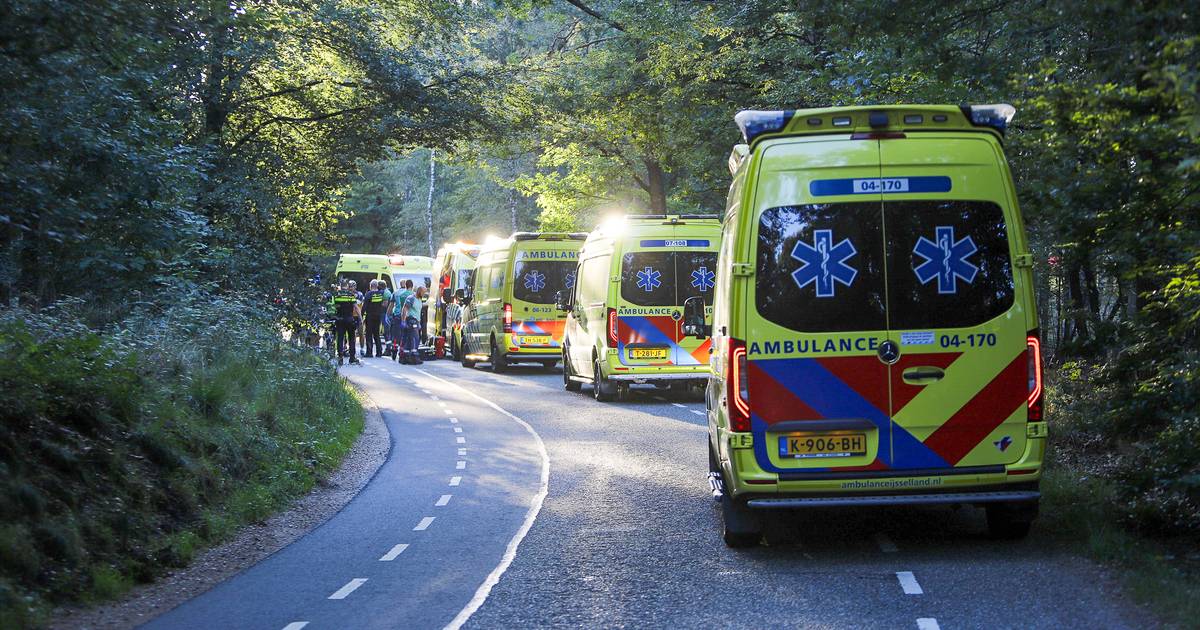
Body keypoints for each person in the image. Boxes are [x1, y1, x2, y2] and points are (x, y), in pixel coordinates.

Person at [332, 280, 361, 365]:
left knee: (340, 338)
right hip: (349, 319)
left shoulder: (336, 295)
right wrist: (360, 319)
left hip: (339, 319)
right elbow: (356, 307)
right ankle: (352, 358)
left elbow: (334, 306)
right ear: (347, 286)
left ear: (340, 286)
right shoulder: (351, 295)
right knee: (352, 339)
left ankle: (340, 357)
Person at [362, 279, 390, 358]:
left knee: (369, 334)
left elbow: (364, 306)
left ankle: (369, 352)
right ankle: (379, 352)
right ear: (377, 286)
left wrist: (361, 316)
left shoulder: (368, 294)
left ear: (370, 286)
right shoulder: (381, 294)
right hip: (378, 316)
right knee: (376, 334)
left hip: (370, 316)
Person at [401, 285, 426, 364]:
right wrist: (403, 321)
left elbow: (418, 312)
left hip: (416, 321)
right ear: (419, 291)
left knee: (409, 339)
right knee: (415, 338)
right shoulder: (411, 298)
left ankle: (406, 356)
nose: (424, 294)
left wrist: (419, 323)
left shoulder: (419, 300)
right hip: (411, 320)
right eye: (423, 292)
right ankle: (413, 357)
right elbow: (405, 309)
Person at [390, 279, 414, 362]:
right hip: (407, 316)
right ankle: (403, 351)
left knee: (396, 335)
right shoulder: (412, 294)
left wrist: (388, 315)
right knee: (405, 335)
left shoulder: (396, 293)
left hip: (397, 315)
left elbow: (391, 305)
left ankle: (394, 349)